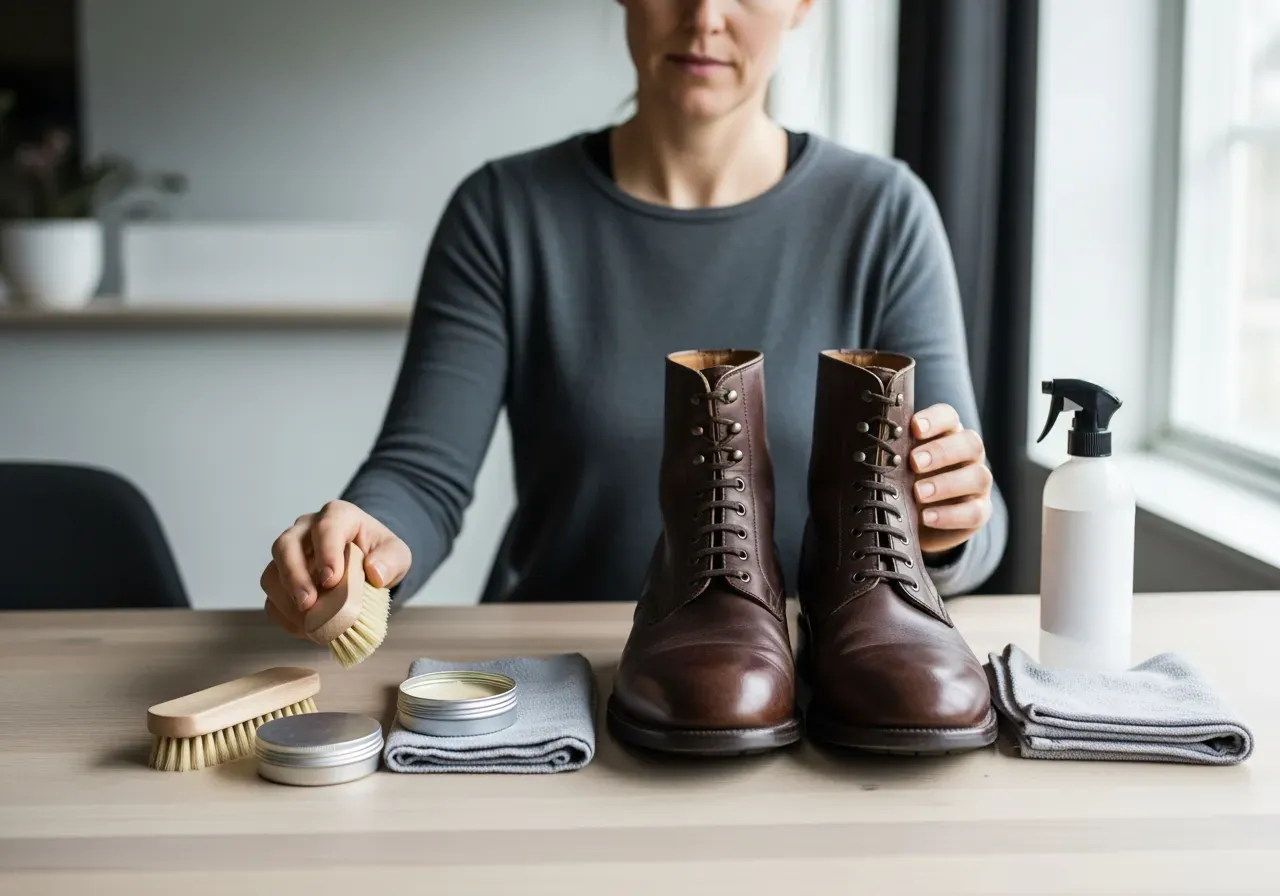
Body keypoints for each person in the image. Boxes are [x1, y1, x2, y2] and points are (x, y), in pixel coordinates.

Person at [260, 0, 1008, 637]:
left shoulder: (883, 216)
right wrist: (358, 544)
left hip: (795, 684)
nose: (704, 18)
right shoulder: (504, 214)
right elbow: (420, 479)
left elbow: (975, 519)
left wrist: (945, 525)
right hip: (559, 675)